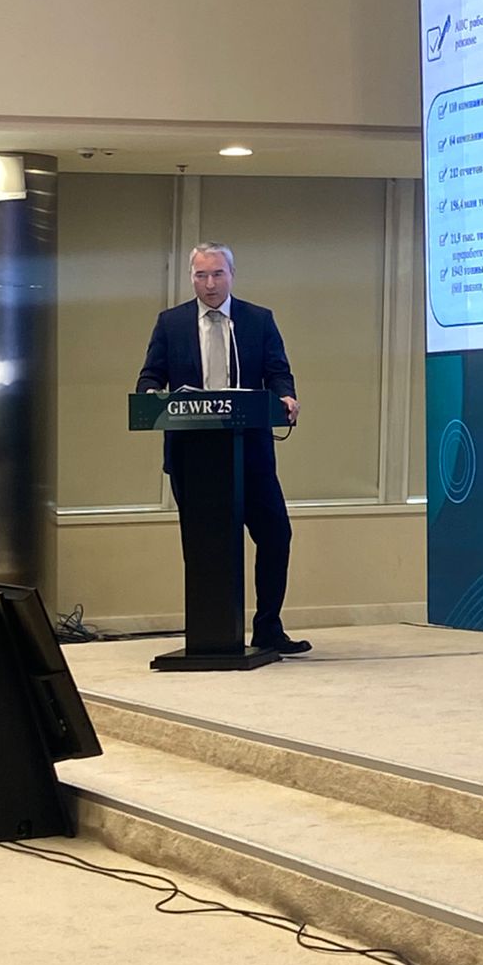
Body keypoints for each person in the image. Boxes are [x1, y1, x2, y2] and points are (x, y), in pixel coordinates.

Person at [135, 242, 309, 655]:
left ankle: (268, 628)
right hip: (192, 456)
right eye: (201, 275)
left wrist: (286, 396)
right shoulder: (171, 323)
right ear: (191, 278)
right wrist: (150, 394)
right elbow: (150, 375)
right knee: (203, 544)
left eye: (217, 274)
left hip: (250, 454)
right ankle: (209, 632)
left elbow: (277, 372)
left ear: (231, 275)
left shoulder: (258, 320)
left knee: (276, 535)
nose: (210, 284)